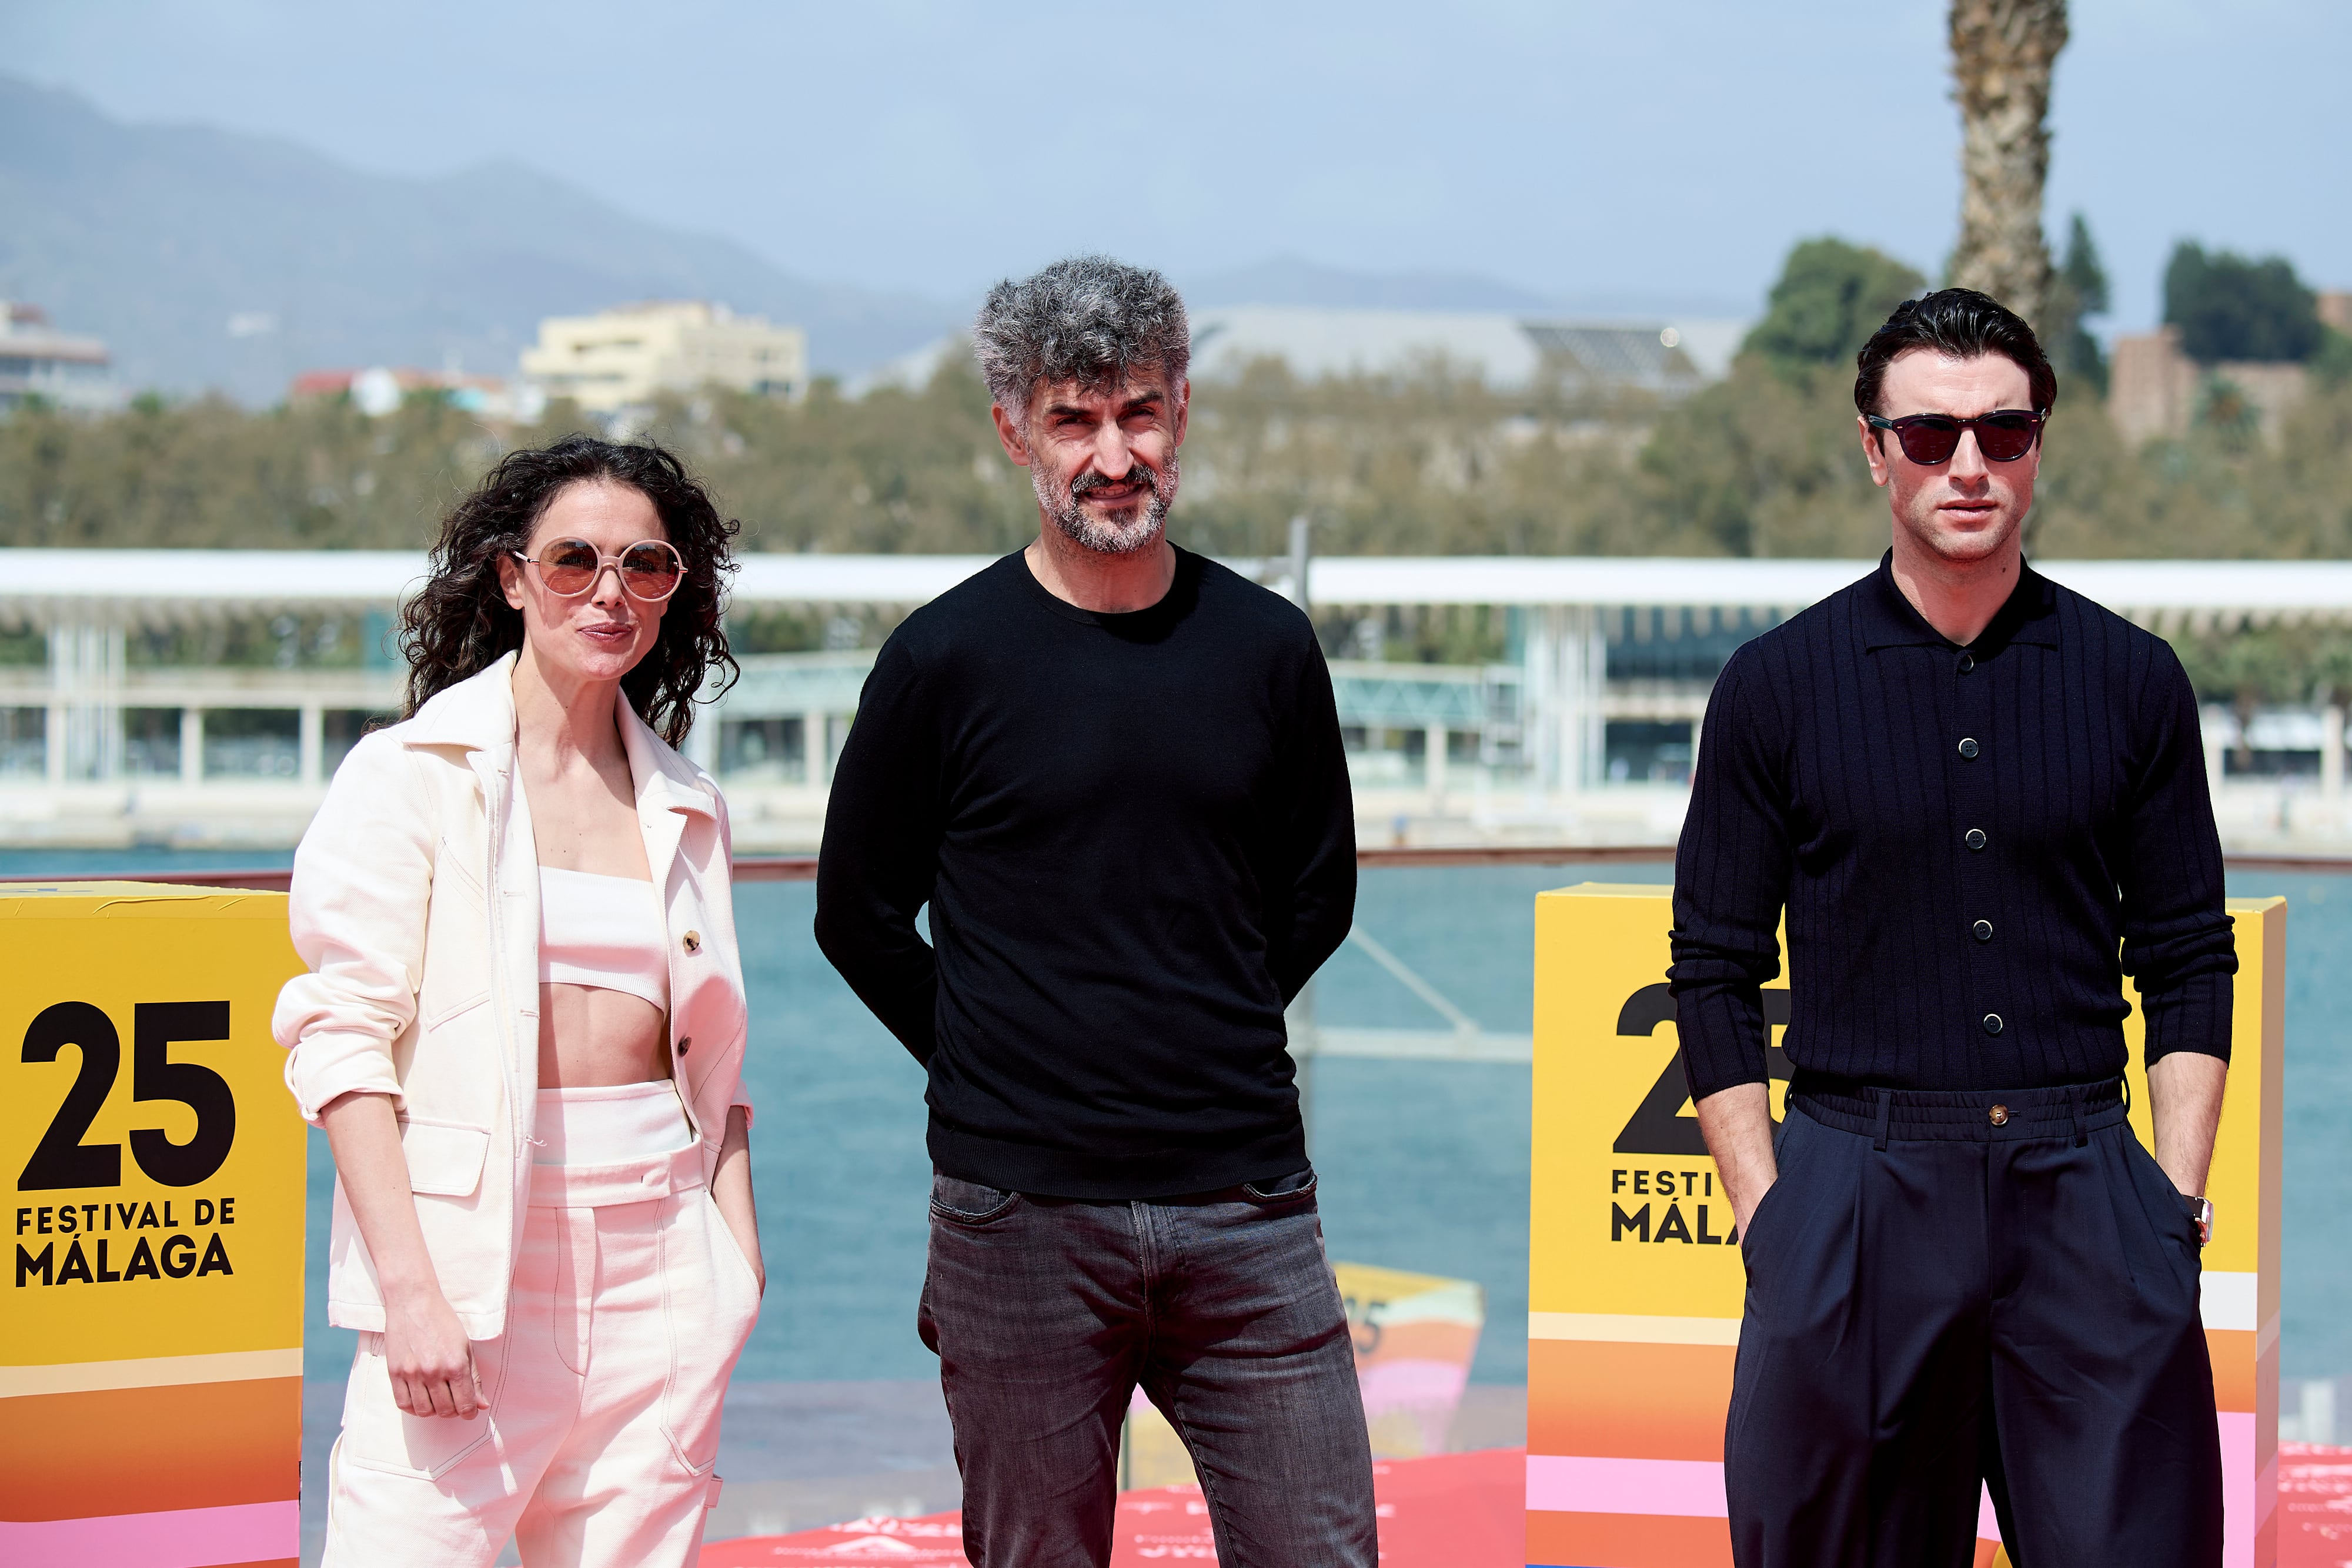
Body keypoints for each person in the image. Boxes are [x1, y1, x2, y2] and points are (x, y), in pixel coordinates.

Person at [814, 255, 1375, 1568]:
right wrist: (993, 1057)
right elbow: (857, 912)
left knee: (1322, 1549)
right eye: (1074, 420)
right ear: (1015, 431)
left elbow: (1319, 891)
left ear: (1181, 409)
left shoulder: (1266, 647)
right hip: (1015, 1217)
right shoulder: (942, 659)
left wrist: (1205, 1022)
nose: (1112, 453)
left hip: (1248, 1201)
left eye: (1138, 411)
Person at [1670, 287, 2236, 1567]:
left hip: (2088, 1190)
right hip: (1851, 1195)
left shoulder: (2131, 678)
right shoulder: (1775, 685)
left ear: (2040, 443)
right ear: (1871, 448)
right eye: (1928, 436)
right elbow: (1711, 967)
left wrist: (2170, 1200)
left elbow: (2188, 953)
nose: (1967, 464)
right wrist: (1772, 1218)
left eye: (2002, 431)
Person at [273, 436, 760, 1567]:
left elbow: (715, 1054)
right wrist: (411, 1293)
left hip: (662, 1267)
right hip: (471, 1266)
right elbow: (344, 1043)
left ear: (674, 591)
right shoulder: (411, 775)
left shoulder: (688, 801)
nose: (609, 591)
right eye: (573, 559)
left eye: (646, 565)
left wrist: (734, 1255)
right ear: (510, 576)